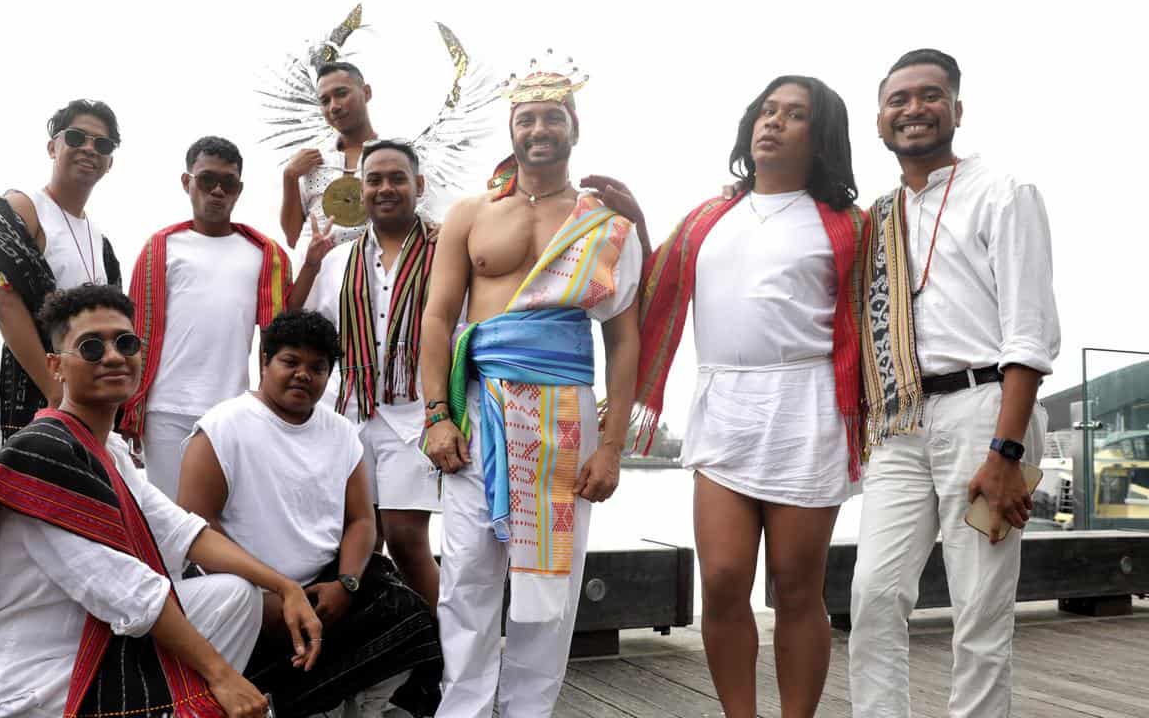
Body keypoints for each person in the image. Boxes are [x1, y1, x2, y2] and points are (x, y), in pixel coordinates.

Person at [0, 284, 321, 718]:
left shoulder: (111, 451)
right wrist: (222, 677)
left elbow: (186, 534)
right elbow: (130, 592)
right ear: (56, 367)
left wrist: (284, 586)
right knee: (216, 678)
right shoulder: (43, 452)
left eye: (125, 343)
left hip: (86, 641)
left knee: (236, 596)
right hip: (26, 680)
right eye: (90, 347)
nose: (112, 356)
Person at [635, 76, 868, 718]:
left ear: (819, 138)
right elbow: (648, 283)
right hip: (723, 403)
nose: (774, 122)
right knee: (722, 579)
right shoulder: (709, 217)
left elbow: (881, 316)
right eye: (768, 111)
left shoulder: (847, 224)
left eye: (795, 115)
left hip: (807, 404)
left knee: (795, 590)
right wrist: (632, 222)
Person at [419, 63, 643, 717]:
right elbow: (438, 317)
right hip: (480, 410)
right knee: (465, 579)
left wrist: (613, 448)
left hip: (566, 416)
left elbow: (623, 338)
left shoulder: (601, 221)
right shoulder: (469, 214)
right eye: (527, 118)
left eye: (552, 116)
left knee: (551, 589)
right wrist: (437, 415)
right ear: (511, 128)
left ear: (574, 125)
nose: (539, 128)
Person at [848, 49, 1060, 718]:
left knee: (980, 606)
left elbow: (1029, 333)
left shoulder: (1004, 192)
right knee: (874, 596)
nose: (913, 109)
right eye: (898, 99)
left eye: (930, 95)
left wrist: (1007, 453)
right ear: (880, 118)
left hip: (984, 413)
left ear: (957, 110)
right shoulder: (875, 218)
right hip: (900, 423)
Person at [177, 309, 442, 717]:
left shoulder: (340, 432)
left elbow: (361, 521)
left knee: (409, 613)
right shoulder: (220, 428)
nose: (303, 374)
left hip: (326, 590)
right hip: (250, 597)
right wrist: (270, 597)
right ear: (264, 360)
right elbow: (196, 529)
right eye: (290, 362)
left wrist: (346, 583)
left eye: (317, 367)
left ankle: (365, 704)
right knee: (281, 675)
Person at [294, 139, 442, 610]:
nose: (385, 188)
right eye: (374, 180)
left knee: (405, 539)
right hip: (349, 417)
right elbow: (307, 334)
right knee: (356, 545)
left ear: (418, 186)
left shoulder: (446, 252)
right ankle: (372, 659)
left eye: (397, 178)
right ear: (361, 191)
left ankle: (445, 662)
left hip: (415, 417)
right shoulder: (337, 261)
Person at [119, 136, 292, 498]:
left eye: (227, 183)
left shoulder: (264, 253)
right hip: (165, 407)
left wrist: (312, 263)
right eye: (206, 180)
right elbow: (133, 332)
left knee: (228, 519)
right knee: (170, 519)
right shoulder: (160, 248)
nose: (217, 190)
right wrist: (126, 405)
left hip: (234, 407)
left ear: (239, 190)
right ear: (187, 183)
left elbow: (280, 333)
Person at [0, 99, 123, 439]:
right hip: (41, 395)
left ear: (109, 163)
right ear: (53, 147)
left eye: (102, 144)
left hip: (94, 403)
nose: (89, 149)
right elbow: (4, 303)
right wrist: (54, 390)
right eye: (77, 137)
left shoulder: (101, 242)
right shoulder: (24, 208)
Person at [280, 61, 378, 253]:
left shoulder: (396, 158)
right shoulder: (311, 162)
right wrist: (290, 176)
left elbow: (421, 222)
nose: (334, 106)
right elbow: (292, 238)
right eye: (325, 101)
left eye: (341, 93)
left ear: (366, 93)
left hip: (373, 274)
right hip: (315, 275)